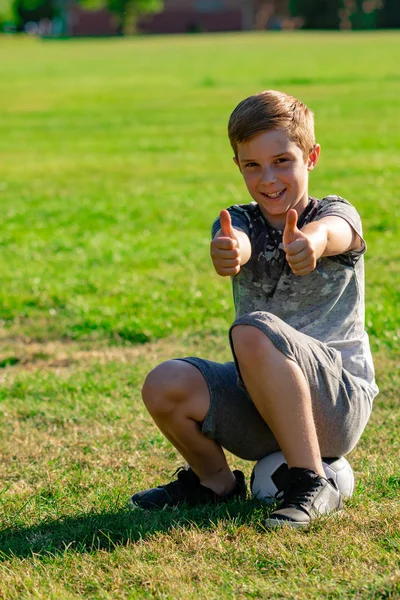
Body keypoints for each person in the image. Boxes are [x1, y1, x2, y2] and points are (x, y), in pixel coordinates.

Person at [130, 90, 378, 528]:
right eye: (252, 165)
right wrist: (230, 250)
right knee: (164, 382)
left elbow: (334, 232)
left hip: (337, 405)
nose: (269, 178)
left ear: (312, 156)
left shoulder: (336, 213)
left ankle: (310, 482)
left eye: (283, 160)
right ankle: (214, 484)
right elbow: (236, 241)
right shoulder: (238, 220)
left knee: (253, 329)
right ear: (238, 166)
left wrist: (312, 243)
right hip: (261, 405)